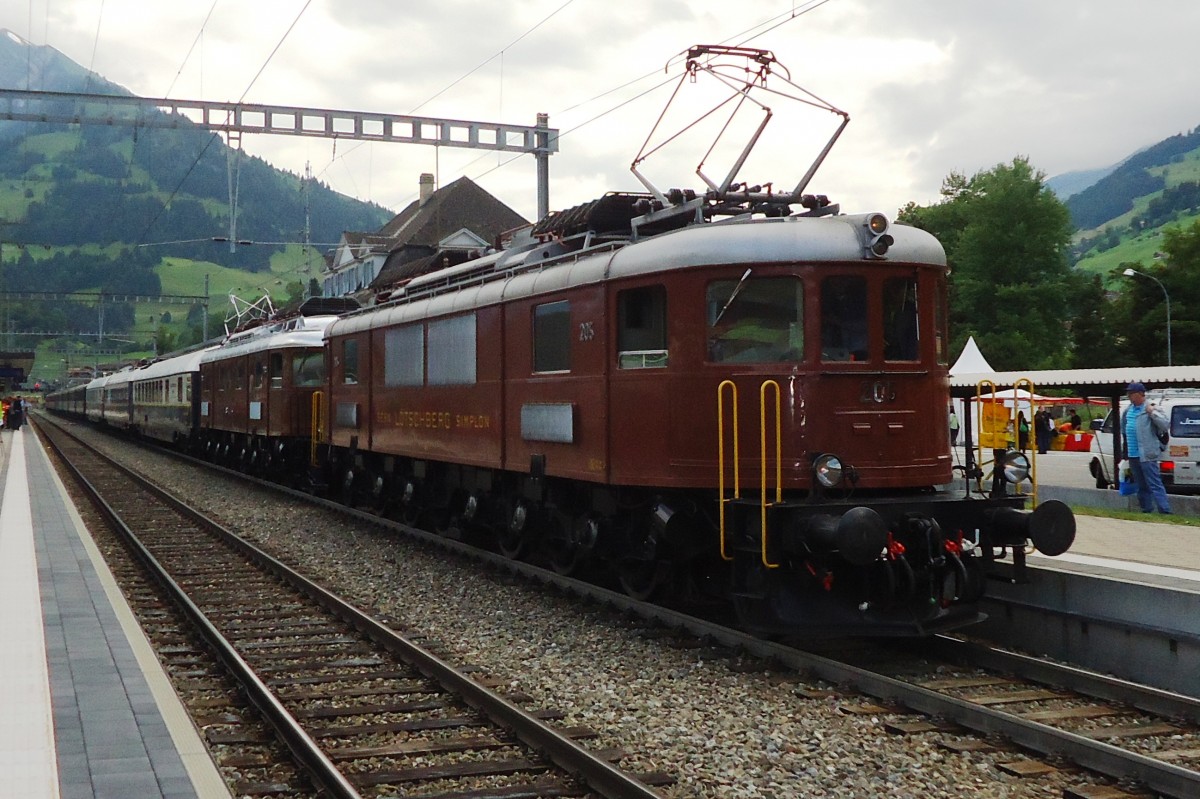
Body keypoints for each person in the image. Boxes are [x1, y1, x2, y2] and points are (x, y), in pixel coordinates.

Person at [1122, 381, 1171, 514]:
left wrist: (1152, 413)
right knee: (1140, 484)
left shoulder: (1151, 408)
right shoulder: (1128, 411)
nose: (1129, 396)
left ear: (1140, 394)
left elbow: (1165, 425)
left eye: (1131, 393)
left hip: (1147, 454)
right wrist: (1125, 452)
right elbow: (1124, 430)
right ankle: (1146, 509)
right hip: (1133, 454)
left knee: (1154, 483)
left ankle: (1164, 509)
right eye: (1128, 393)